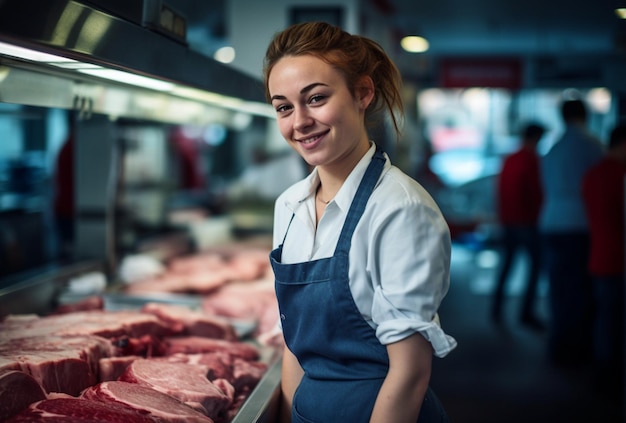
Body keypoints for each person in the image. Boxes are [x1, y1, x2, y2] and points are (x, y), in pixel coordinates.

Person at [264, 21, 457, 423]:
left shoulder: (401, 209)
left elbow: (409, 373)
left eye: (315, 98)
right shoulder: (290, 205)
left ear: (363, 93)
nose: (298, 122)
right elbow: (296, 346)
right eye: (283, 107)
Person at [539, 98, 604, 365]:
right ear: (585, 116)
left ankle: (558, 345)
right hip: (579, 224)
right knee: (579, 288)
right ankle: (577, 349)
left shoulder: (552, 149)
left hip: (552, 222)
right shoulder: (592, 147)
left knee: (557, 286)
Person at [582, 123, 626, 398]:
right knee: (614, 322)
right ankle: (611, 379)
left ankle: (601, 375)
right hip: (618, 258)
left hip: (598, 254)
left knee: (604, 320)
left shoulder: (591, 174)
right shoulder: (620, 175)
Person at [491, 123, 545, 329]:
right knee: (534, 268)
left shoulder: (509, 159)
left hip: (509, 221)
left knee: (507, 266)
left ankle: (496, 309)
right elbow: (535, 192)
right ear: (536, 138)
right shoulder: (531, 160)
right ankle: (526, 313)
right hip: (527, 222)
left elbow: (501, 192)